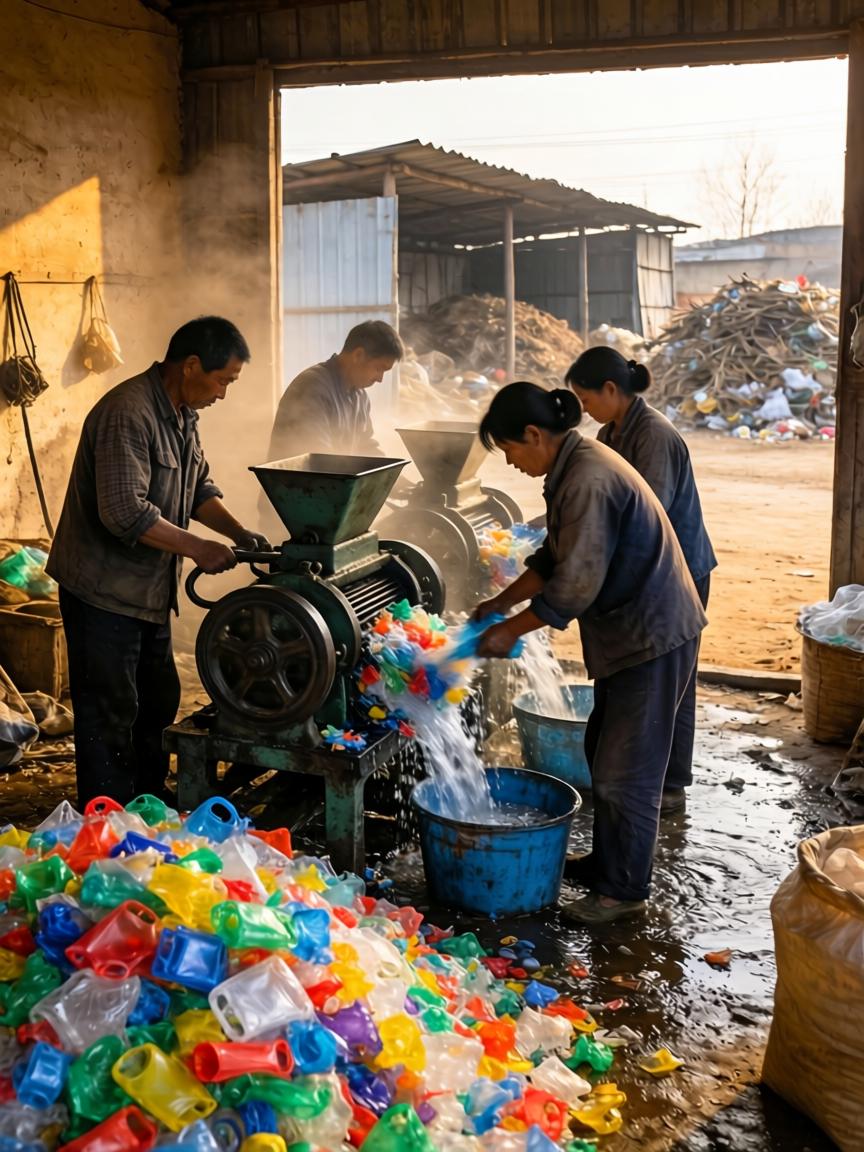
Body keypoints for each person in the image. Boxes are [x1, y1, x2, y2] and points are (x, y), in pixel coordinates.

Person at [473, 382, 706, 924]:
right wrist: (502, 602)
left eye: (509, 449)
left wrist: (511, 631)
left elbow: (574, 585)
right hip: (631, 630)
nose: (511, 462)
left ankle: (622, 893)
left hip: (650, 633)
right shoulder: (574, 467)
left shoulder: (587, 479)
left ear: (534, 435)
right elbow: (555, 557)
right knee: (605, 751)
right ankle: (607, 864)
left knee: (627, 770)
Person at [47, 316, 269, 808]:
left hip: (148, 591)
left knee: (157, 700)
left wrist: (238, 534)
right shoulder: (128, 413)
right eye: (223, 380)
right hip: (103, 592)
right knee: (110, 711)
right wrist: (199, 548)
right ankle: (106, 816)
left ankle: (145, 802)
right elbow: (124, 511)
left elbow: (199, 488)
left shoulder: (182, 413)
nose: (223, 393)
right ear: (190, 365)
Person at [565, 346, 717, 814]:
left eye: (586, 399)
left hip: (679, 571)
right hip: (649, 569)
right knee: (649, 681)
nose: (584, 409)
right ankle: (645, 780)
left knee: (671, 686)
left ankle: (669, 784)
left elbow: (646, 512)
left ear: (611, 389)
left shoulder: (654, 435)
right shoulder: (610, 433)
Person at [267, 320, 404, 461]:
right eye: (379, 368)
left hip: (332, 475)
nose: (380, 379)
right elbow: (318, 456)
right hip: (300, 475)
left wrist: (391, 471)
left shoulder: (360, 396)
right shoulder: (313, 387)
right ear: (358, 355)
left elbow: (365, 445)